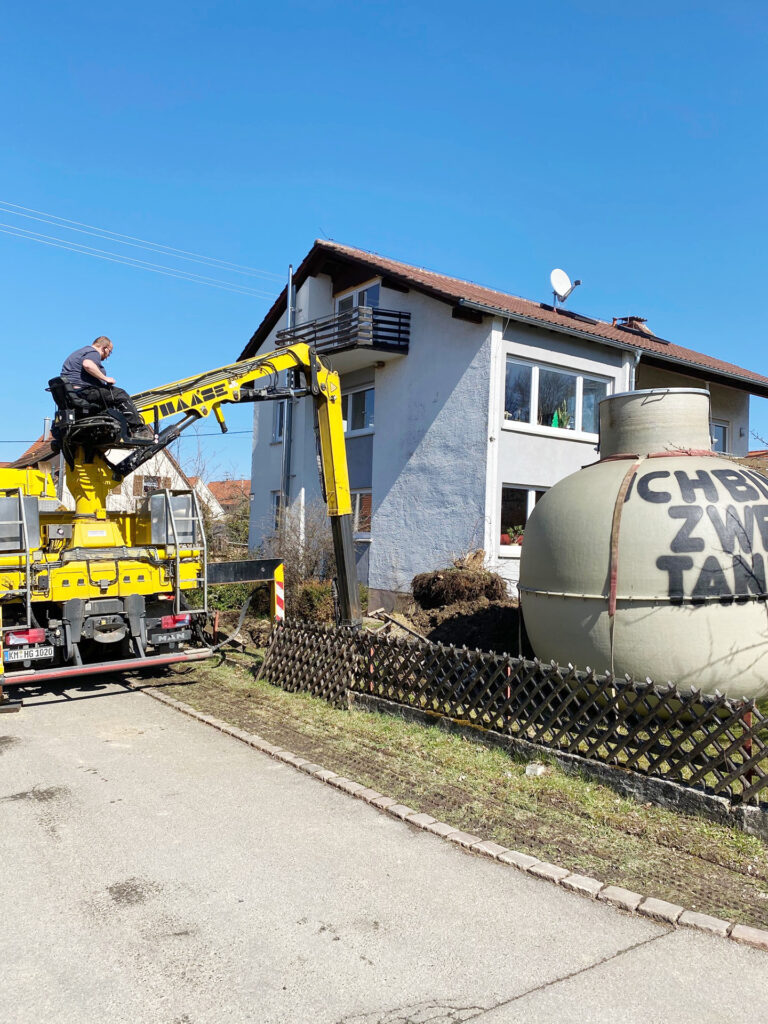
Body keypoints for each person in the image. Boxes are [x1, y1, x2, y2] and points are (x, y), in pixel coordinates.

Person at [60, 336, 152, 439]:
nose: (108, 356)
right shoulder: (93, 352)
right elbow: (87, 364)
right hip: (84, 392)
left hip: (72, 394)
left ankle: (59, 437)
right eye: (110, 352)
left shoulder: (78, 353)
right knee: (120, 394)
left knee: (107, 396)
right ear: (105, 348)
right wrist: (105, 378)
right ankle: (138, 430)